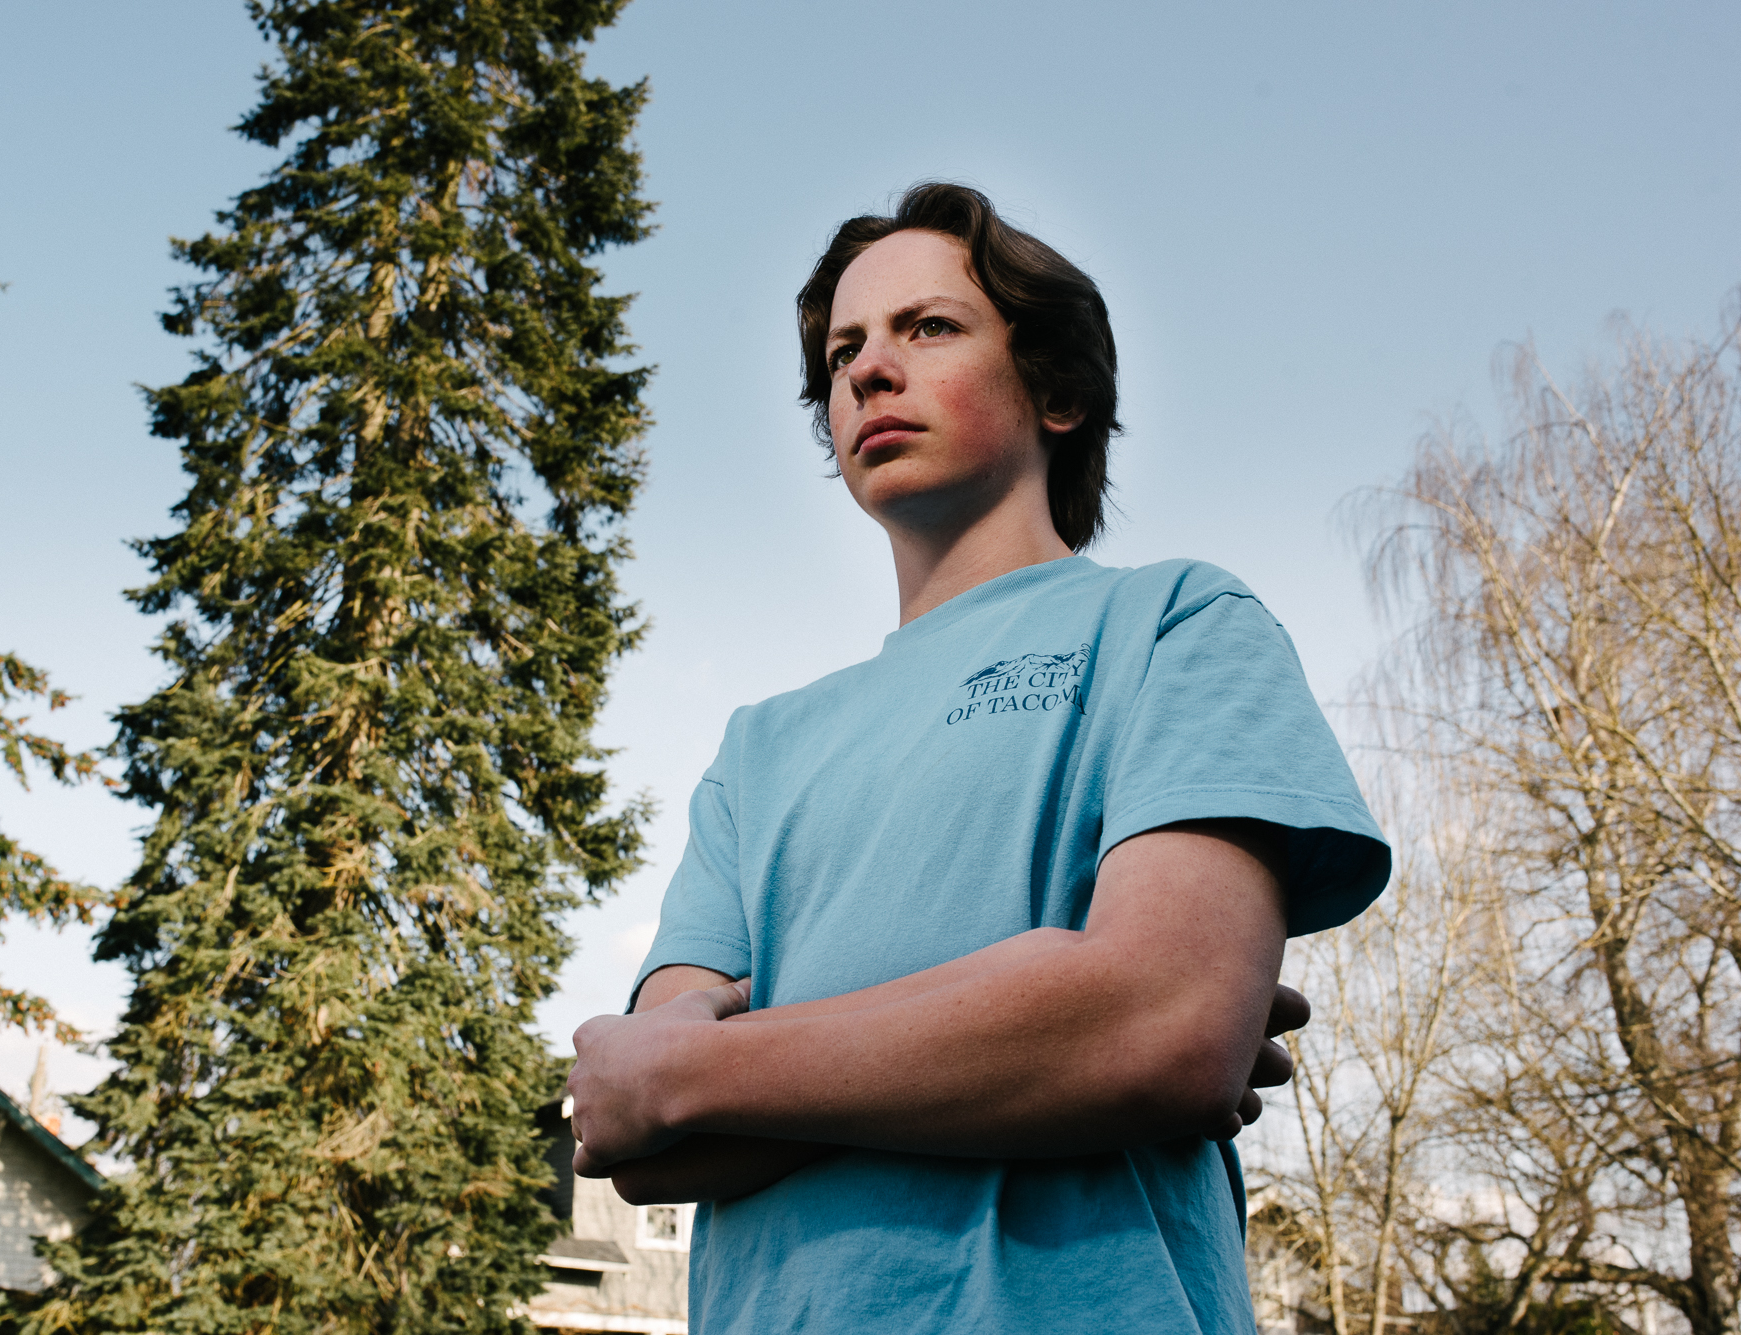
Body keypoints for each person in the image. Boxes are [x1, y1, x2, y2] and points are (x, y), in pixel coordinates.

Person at [565, 182, 1389, 1334]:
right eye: (844, 348)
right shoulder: (758, 749)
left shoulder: (1177, 626)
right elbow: (643, 1141)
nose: (864, 370)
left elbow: (1164, 1026)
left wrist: (702, 1065)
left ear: (1055, 389)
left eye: (928, 327)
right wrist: (1044, 1023)